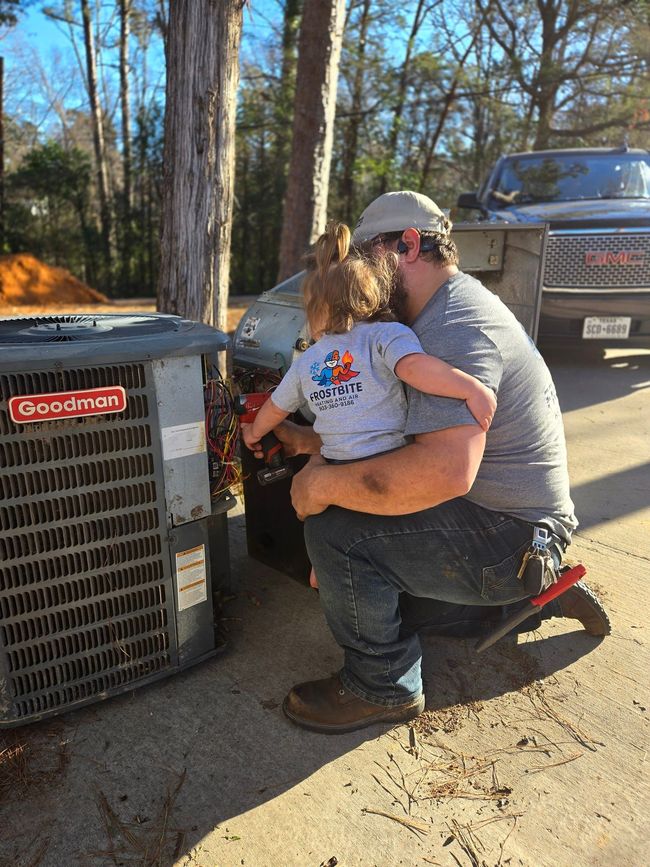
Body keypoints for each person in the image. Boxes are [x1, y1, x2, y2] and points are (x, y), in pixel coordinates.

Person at [250, 190, 610, 735]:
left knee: (338, 535)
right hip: (504, 525)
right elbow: (390, 433)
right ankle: (532, 600)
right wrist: (308, 442)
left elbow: (441, 473)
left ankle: (382, 687)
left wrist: (321, 485)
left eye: (366, 263)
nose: (359, 282)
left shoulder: (451, 330)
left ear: (408, 247)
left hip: (507, 532)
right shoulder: (429, 315)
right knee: (373, 601)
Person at [242, 221, 497, 589]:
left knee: (317, 513)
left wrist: (254, 432)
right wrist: (470, 388)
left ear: (315, 310)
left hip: (335, 464)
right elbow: (415, 369)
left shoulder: (307, 360)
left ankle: (321, 564)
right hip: (386, 461)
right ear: (371, 296)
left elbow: (275, 408)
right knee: (377, 522)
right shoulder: (385, 335)